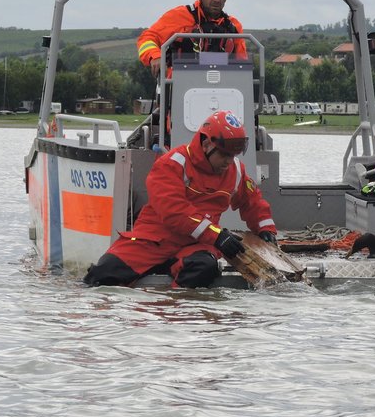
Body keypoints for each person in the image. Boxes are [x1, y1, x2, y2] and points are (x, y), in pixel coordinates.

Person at [83, 110, 277, 288]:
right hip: (153, 240)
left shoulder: (235, 171)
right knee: (100, 276)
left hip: (195, 245)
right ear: (207, 144)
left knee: (204, 267)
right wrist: (217, 235)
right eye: (224, 154)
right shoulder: (173, 163)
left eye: (233, 154)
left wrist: (266, 230)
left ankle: (174, 309)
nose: (228, 160)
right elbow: (174, 211)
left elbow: (252, 201)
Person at [136, 0, 248, 78]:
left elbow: (242, 67)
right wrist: (155, 56)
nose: (217, 0)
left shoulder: (233, 26)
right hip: (178, 89)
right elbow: (147, 38)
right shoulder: (179, 16)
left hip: (223, 89)